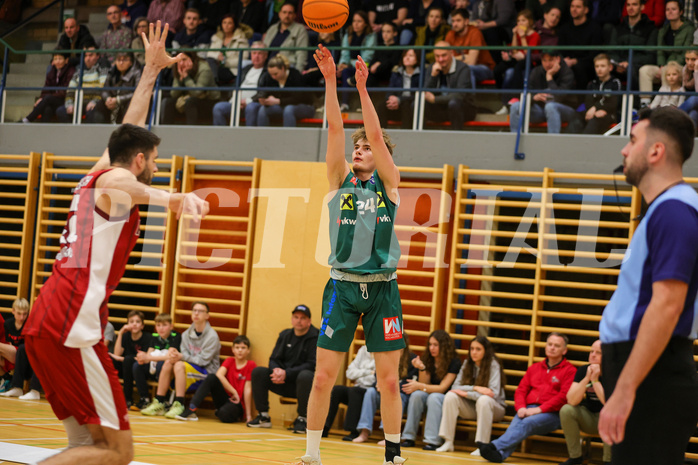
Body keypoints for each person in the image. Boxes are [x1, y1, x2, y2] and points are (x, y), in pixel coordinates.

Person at [20, 21, 209, 465]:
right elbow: (129, 182)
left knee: (86, 449)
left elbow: (128, 128)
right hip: (72, 325)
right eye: (156, 162)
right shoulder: (118, 178)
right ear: (141, 160)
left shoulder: (98, 170)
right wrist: (172, 196)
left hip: (48, 320)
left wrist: (151, 72)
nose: (157, 167)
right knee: (117, 452)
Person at [298, 44, 406, 465]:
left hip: (383, 290)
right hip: (342, 288)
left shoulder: (390, 184)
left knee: (390, 381)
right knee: (323, 376)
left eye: (366, 148)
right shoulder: (339, 180)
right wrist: (329, 79)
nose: (360, 149)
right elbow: (335, 132)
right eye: (357, 147)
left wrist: (362, 88)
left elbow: (376, 136)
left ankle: (393, 454)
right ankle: (311, 454)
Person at [598, 107, 698, 464]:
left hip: (651, 380)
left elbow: (667, 305)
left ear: (656, 152)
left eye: (633, 140)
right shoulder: (664, 210)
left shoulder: (674, 211)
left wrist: (625, 390)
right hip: (644, 370)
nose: (624, 150)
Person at [479, 333, 576, 463]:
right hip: (528, 409)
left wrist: (539, 410)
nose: (552, 348)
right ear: (546, 346)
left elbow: (563, 397)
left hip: (553, 414)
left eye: (557, 346)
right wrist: (520, 408)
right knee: (516, 423)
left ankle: (493, 446)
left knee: (527, 423)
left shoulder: (570, 370)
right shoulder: (534, 368)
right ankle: (500, 455)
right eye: (550, 344)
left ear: (564, 350)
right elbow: (521, 390)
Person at [141, 301, 221, 419]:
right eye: (194, 310)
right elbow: (182, 354)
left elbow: (203, 361)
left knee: (179, 365)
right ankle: (159, 402)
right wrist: (175, 356)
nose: (196, 313)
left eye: (200, 311)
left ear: (207, 316)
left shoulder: (212, 336)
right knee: (169, 362)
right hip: (189, 367)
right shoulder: (186, 334)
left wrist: (181, 357)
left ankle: (179, 404)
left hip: (207, 373)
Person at [247, 305, 318, 432]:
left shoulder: (315, 337)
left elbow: (312, 364)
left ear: (309, 321)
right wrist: (277, 371)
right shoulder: (285, 335)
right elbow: (274, 359)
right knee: (259, 372)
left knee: (306, 375)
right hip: (281, 381)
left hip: (302, 385)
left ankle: (303, 418)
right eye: (296, 317)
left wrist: (287, 373)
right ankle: (263, 416)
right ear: (292, 319)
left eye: (303, 318)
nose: (299, 320)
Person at [437, 336, 506, 454]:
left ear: (486, 351)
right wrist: (475, 388)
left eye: (478, 349)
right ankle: (448, 441)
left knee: (484, 400)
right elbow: (455, 387)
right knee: (450, 396)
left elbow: (492, 394)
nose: (474, 352)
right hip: (474, 407)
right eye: (472, 348)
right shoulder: (467, 363)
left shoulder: (493, 364)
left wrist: (466, 394)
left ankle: (482, 446)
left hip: (494, 408)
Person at [400, 329, 460, 451]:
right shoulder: (428, 358)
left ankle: (432, 440)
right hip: (429, 392)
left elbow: (442, 388)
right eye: (430, 344)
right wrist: (422, 368)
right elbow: (424, 384)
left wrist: (420, 386)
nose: (432, 348)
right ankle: (409, 437)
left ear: (444, 346)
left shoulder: (454, 362)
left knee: (434, 397)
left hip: (446, 397)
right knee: (417, 395)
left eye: (436, 345)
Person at [176, 335, 256, 423]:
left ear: (248, 350)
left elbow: (248, 389)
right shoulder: (230, 361)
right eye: (237, 347)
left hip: (238, 403)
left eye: (243, 348)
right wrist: (234, 392)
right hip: (226, 397)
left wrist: (248, 416)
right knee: (211, 377)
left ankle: (222, 412)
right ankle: (192, 409)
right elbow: (219, 375)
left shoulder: (250, 365)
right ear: (233, 349)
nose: (240, 350)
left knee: (224, 414)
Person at [353, 333, 417, 444]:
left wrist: (389, 388)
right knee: (370, 392)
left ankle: (388, 435)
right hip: (382, 393)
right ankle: (364, 431)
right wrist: (378, 385)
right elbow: (376, 378)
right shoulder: (386, 356)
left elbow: (409, 385)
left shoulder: (412, 359)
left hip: (402, 396)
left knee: (397, 396)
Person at [559, 340, 610, 465]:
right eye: (591, 351)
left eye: (598, 353)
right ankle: (575, 458)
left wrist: (595, 381)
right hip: (589, 418)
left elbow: (609, 404)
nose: (592, 355)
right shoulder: (583, 370)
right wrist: (587, 378)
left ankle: (609, 461)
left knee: (609, 413)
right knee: (566, 410)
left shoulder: (614, 372)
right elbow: (571, 400)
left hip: (608, 420)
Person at [639, 0, 695, 107]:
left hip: (680, 66)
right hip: (664, 66)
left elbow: (685, 52)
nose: (670, 12)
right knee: (644, 70)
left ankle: (667, 106)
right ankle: (645, 104)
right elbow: (660, 50)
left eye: (673, 9)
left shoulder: (689, 29)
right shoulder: (663, 30)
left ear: (681, 12)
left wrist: (668, 67)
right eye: (667, 10)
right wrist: (661, 65)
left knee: (668, 72)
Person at [509, 50, 577, 134]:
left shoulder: (567, 73)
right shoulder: (536, 72)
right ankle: (514, 141)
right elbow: (526, 95)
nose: (547, 64)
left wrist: (549, 78)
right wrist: (534, 97)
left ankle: (552, 144)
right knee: (515, 106)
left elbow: (559, 97)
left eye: (550, 60)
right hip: (540, 110)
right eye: (544, 60)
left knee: (550, 106)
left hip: (565, 109)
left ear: (558, 59)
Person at [244, 55, 315, 127]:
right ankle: (263, 136)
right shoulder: (269, 77)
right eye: (271, 74)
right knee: (263, 109)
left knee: (289, 109)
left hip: (304, 106)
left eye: (275, 74)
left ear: (283, 68)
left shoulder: (295, 75)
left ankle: (288, 137)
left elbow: (298, 98)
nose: (273, 77)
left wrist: (278, 101)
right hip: (281, 106)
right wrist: (264, 100)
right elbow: (265, 92)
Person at [322, 344, 375, 440]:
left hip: (371, 391)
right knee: (336, 390)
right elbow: (349, 373)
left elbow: (375, 378)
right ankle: (324, 427)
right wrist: (368, 372)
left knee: (355, 391)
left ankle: (353, 431)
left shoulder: (384, 352)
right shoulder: (363, 349)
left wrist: (359, 375)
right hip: (357, 387)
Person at [131, 312, 181, 410]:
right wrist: (142, 358)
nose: (161, 328)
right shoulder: (154, 336)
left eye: (164, 325)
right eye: (158, 325)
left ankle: (163, 400)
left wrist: (148, 358)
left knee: (162, 364)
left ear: (171, 326)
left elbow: (169, 357)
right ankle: (144, 399)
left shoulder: (176, 336)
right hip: (154, 366)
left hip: (168, 368)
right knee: (137, 366)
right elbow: (149, 354)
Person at [493, 9, 540, 113]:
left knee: (512, 72)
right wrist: (514, 35)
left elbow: (528, 54)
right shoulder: (518, 34)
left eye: (523, 20)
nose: (520, 23)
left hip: (529, 62)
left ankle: (514, 98)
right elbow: (514, 50)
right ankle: (500, 94)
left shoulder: (535, 35)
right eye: (518, 21)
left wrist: (523, 37)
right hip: (517, 59)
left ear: (530, 22)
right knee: (498, 69)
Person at [212, 41, 267, 126]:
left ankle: (249, 137)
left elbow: (264, 92)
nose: (256, 56)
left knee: (251, 107)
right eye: (254, 53)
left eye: (260, 53)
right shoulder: (245, 69)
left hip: (253, 103)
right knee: (218, 107)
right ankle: (222, 136)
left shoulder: (267, 71)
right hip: (236, 102)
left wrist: (248, 101)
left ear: (265, 56)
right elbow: (235, 85)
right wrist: (235, 101)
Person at [425, 41, 476, 129]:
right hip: (441, 109)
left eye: (444, 55)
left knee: (454, 103)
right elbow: (425, 93)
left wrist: (435, 100)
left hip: (463, 109)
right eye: (437, 56)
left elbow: (460, 95)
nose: (440, 59)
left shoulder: (463, 68)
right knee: (416, 105)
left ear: (451, 53)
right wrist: (433, 76)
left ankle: (456, 140)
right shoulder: (432, 68)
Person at [160, 51, 220, 125]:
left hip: (209, 101)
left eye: (184, 59)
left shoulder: (204, 69)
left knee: (191, 102)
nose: (181, 63)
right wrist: (180, 79)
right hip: (187, 99)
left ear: (192, 59)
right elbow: (174, 94)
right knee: (168, 102)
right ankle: (166, 131)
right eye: (178, 60)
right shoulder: (178, 68)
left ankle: (191, 133)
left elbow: (197, 92)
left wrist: (186, 77)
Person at [608, 0, 658, 88]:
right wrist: (618, 64)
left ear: (642, 7)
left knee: (631, 69)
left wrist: (629, 62)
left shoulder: (650, 29)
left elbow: (650, 56)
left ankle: (634, 100)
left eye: (634, 4)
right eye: (628, 5)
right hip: (619, 65)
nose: (630, 8)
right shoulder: (618, 28)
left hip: (637, 65)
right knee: (602, 66)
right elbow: (612, 51)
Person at [56, 44, 109, 124]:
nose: (88, 58)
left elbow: (103, 89)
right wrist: (69, 104)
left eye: (91, 55)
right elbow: (70, 90)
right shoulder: (78, 71)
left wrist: (94, 102)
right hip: (78, 103)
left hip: (93, 102)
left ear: (97, 56)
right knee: (60, 111)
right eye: (86, 56)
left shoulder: (102, 70)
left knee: (92, 113)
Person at [557, 0, 603, 90]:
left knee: (579, 67)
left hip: (587, 64)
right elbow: (560, 50)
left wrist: (575, 61)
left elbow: (594, 55)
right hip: (567, 62)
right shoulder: (564, 29)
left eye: (578, 7)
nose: (574, 9)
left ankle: (581, 100)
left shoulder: (595, 28)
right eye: (572, 6)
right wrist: (564, 60)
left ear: (586, 10)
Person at [337, 11, 376, 111]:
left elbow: (367, 56)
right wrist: (343, 64)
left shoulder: (371, 35)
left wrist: (352, 64)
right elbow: (344, 52)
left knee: (361, 74)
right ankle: (345, 104)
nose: (356, 24)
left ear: (365, 23)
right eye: (354, 21)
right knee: (344, 72)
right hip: (350, 65)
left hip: (365, 66)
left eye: (359, 21)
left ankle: (363, 105)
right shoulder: (348, 34)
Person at [111, 310, 151, 408]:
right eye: (131, 322)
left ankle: (128, 398)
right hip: (127, 367)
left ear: (142, 326)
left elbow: (144, 357)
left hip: (141, 368)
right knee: (111, 359)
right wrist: (120, 333)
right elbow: (117, 353)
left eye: (137, 322)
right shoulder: (126, 336)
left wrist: (122, 359)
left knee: (128, 360)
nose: (134, 324)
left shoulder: (147, 337)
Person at [445, 8, 495, 86]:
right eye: (453, 21)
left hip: (484, 67)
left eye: (458, 20)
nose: (454, 24)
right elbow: (446, 60)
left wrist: (454, 59)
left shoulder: (474, 32)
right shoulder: (450, 34)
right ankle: (447, 98)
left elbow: (472, 62)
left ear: (466, 21)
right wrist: (464, 57)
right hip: (460, 67)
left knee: (467, 69)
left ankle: (468, 98)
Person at [22, 51, 75, 123]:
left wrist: (45, 98)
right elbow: (46, 88)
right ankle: (43, 132)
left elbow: (65, 91)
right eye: (55, 59)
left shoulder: (71, 71)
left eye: (60, 59)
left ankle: (28, 119)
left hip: (65, 99)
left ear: (66, 60)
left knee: (47, 99)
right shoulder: (52, 71)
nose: (57, 61)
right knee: (47, 109)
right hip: (52, 100)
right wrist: (41, 98)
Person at [376, 49, 421, 129]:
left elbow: (418, 94)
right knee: (382, 105)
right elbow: (390, 89)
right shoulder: (397, 72)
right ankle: (381, 136)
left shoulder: (421, 74)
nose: (407, 58)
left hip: (409, 105)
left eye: (411, 56)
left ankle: (406, 134)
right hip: (397, 104)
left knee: (406, 105)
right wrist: (391, 99)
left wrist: (399, 99)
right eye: (405, 56)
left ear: (417, 58)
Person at [96, 51, 142, 124]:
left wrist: (118, 100)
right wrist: (108, 99)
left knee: (132, 104)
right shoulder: (112, 72)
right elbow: (104, 90)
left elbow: (138, 93)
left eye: (125, 60)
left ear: (131, 62)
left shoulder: (137, 73)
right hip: (112, 103)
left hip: (126, 102)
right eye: (118, 60)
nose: (121, 63)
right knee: (99, 105)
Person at [206, 14, 252, 86]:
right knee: (209, 61)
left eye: (229, 23)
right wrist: (218, 56)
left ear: (234, 25)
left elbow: (243, 60)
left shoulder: (241, 39)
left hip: (232, 70)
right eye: (224, 22)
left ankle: (214, 82)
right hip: (217, 67)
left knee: (214, 72)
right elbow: (209, 54)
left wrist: (225, 61)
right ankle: (215, 80)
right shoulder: (216, 37)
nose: (226, 25)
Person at [581, 54, 622, 134]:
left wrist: (595, 108)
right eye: (597, 66)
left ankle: (582, 145)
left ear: (610, 67)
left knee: (595, 120)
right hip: (592, 113)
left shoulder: (615, 83)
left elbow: (613, 103)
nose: (599, 69)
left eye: (602, 66)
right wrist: (593, 110)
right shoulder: (592, 83)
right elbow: (588, 102)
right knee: (576, 119)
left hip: (610, 114)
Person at [263, 2, 309, 70]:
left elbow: (301, 53)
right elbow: (263, 49)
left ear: (295, 15)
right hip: (267, 66)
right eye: (284, 12)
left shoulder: (300, 29)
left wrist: (298, 73)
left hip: (286, 67)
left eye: (290, 13)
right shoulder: (272, 28)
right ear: (279, 14)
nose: (287, 15)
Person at [0, 298, 30, 392]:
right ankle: (5, 378)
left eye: (24, 314)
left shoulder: (29, 324)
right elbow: (8, 342)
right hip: (8, 352)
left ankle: (6, 377)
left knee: (21, 349)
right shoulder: (8, 323)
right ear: (13, 311)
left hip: (23, 356)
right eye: (19, 313)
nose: (21, 317)